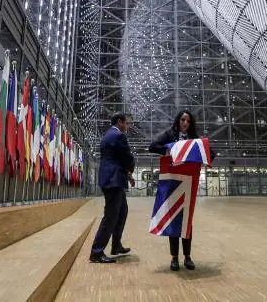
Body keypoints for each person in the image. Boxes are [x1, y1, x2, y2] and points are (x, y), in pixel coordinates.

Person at [148, 110, 215, 271]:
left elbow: (211, 153)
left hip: (188, 183)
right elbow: (152, 147)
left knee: (187, 222)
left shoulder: (194, 139)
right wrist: (167, 151)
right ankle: (174, 258)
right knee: (173, 221)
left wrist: (204, 159)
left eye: (188, 121)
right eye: (183, 119)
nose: (185, 123)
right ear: (178, 121)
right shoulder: (170, 134)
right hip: (172, 182)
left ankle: (188, 257)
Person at [89, 112, 136, 264]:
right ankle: (96, 252)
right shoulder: (118, 136)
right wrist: (130, 169)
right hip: (113, 180)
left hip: (113, 179)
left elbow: (117, 159)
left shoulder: (108, 135)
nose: (128, 126)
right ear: (119, 122)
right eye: (126, 123)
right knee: (110, 216)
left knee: (122, 212)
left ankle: (116, 245)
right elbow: (127, 157)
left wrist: (127, 175)